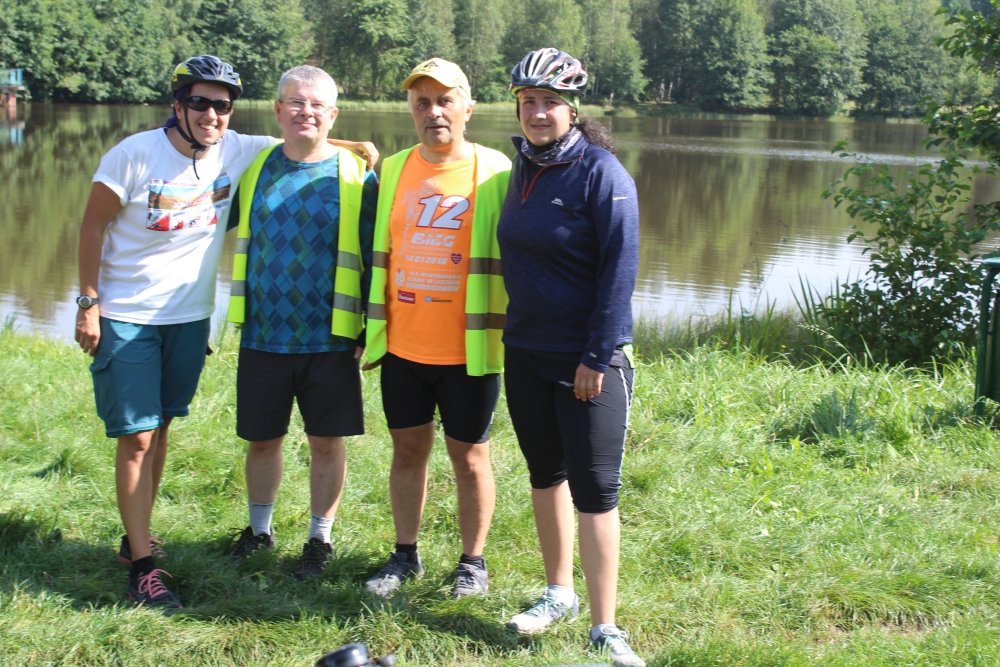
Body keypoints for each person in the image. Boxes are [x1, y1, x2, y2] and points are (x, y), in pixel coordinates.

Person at [75, 55, 377, 608]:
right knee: (140, 435)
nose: (211, 114)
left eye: (221, 105)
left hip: (207, 321)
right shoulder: (145, 154)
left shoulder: (248, 151)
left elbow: (307, 138)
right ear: (178, 105)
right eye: (199, 102)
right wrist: (88, 303)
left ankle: (145, 535)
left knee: (161, 429)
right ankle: (146, 561)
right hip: (147, 316)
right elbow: (92, 224)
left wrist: (354, 146)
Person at [497, 49, 644, 667]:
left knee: (596, 490)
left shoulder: (601, 172)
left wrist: (596, 356)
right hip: (525, 353)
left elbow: (620, 272)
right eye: (527, 101)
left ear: (573, 108)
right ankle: (558, 594)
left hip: (587, 360)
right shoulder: (522, 167)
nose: (537, 112)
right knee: (545, 475)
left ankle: (606, 626)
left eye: (550, 102)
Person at [361, 58, 511, 599]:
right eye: (422, 102)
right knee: (407, 451)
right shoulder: (393, 169)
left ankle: (473, 562)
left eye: (445, 100)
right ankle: (405, 555)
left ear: (468, 107)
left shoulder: (497, 171)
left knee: (470, 458)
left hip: (469, 348)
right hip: (403, 345)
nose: (434, 112)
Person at [224, 65, 378, 581]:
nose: (305, 112)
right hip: (263, 333)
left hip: (330, 337)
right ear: (277, 109)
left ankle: (319, 539)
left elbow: (377, 256)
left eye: (316, 105)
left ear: (333, 114)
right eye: (295, 102)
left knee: (326, 443)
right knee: (262, 440)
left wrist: (367, 329)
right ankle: (259, 531)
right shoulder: (254, 166)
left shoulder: (357, 175)